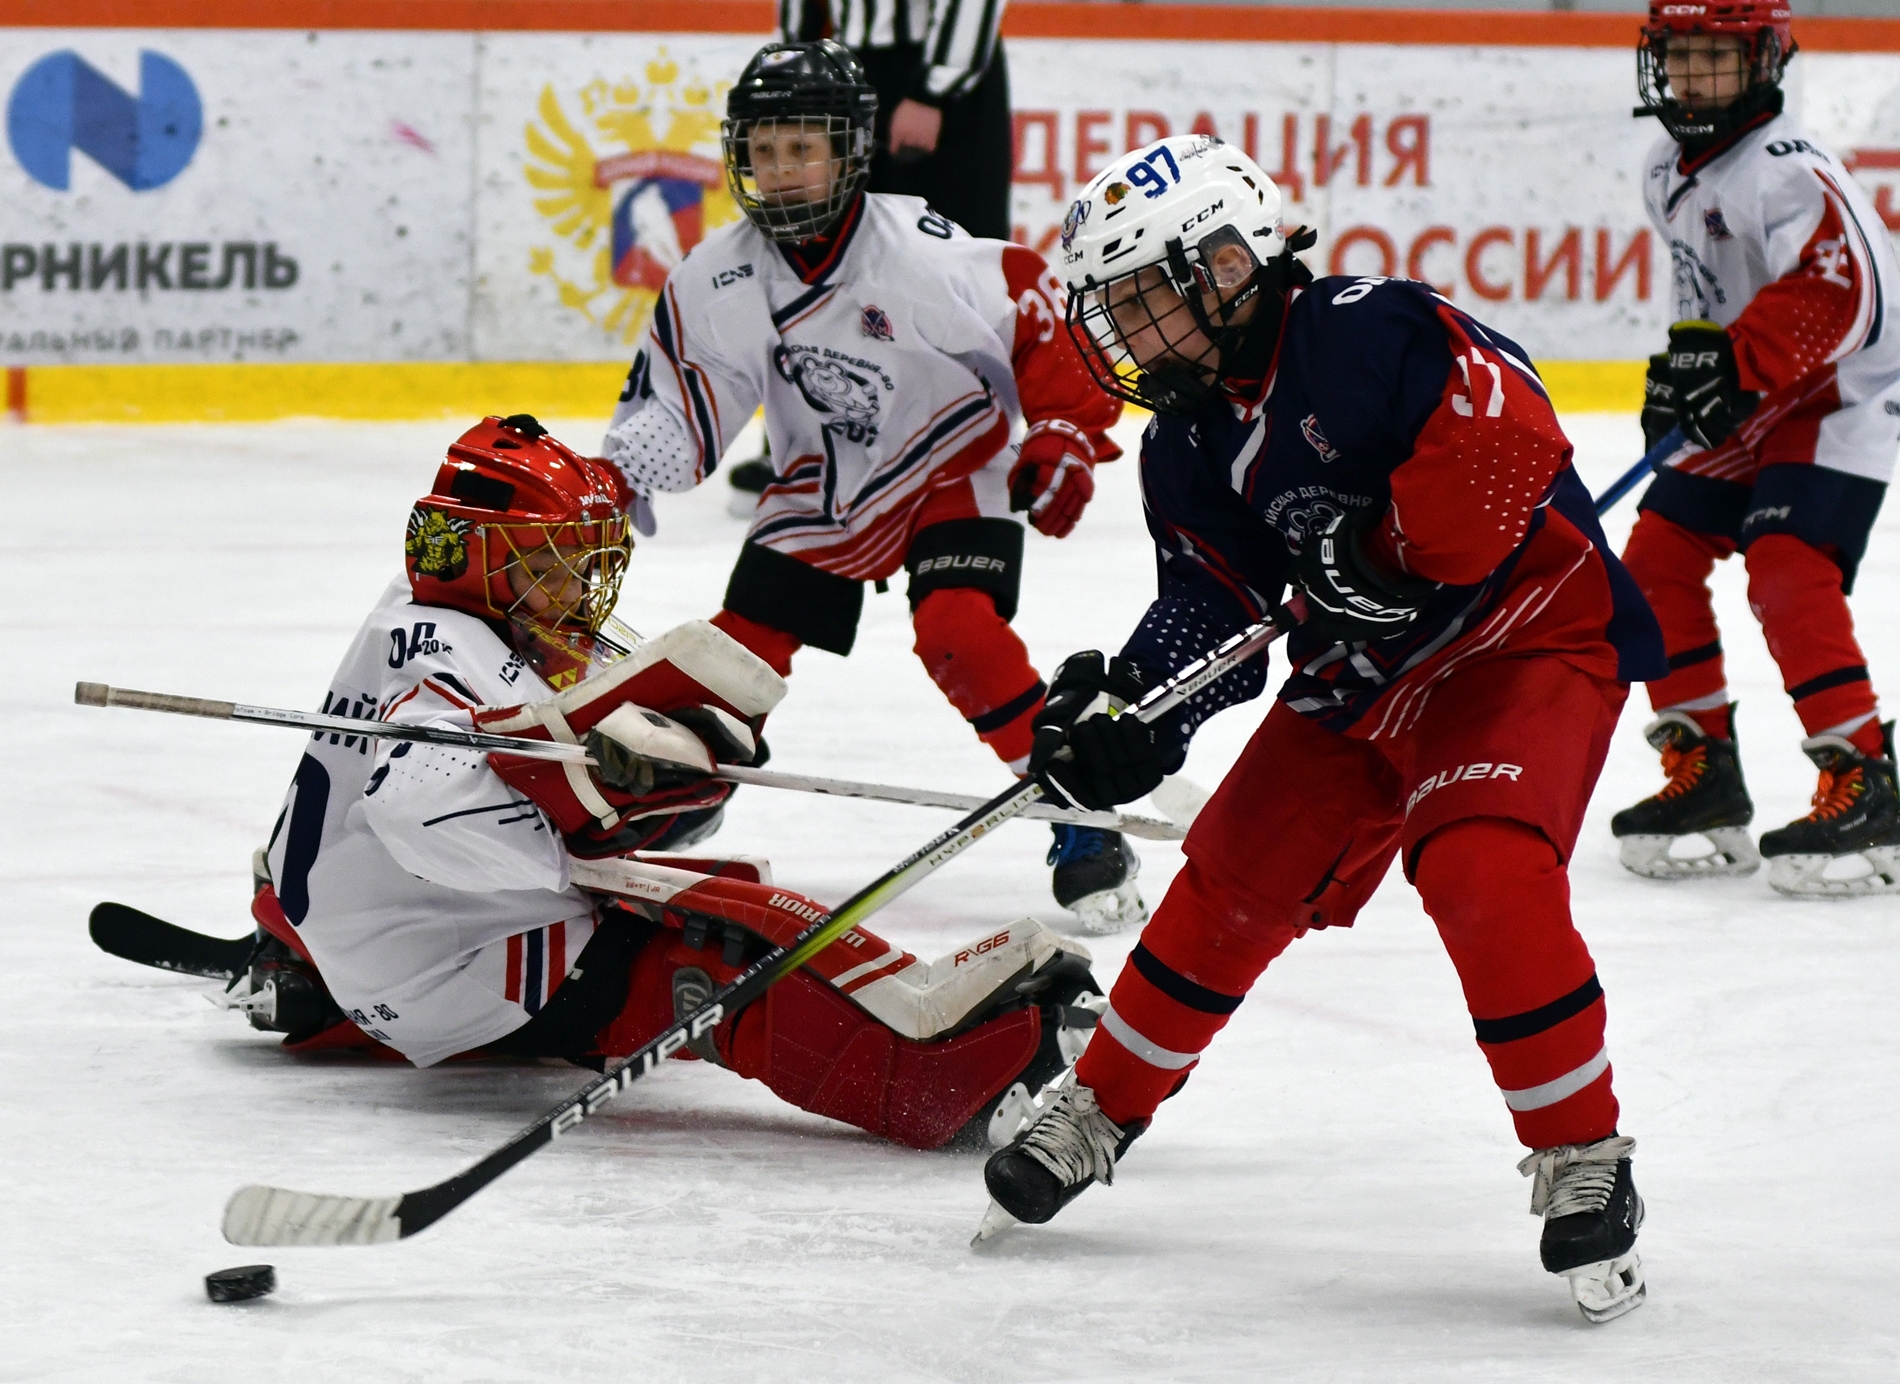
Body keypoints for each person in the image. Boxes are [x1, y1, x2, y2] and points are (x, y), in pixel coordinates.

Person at [974, 136, 1668, 1325]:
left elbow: (1513, 441)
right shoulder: (1184, 442)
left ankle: (1581, 1150)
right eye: (1117, 309)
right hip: (1362, 678)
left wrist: (1391, 548)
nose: (1129, 335)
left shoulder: (1364, 330)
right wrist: (1138, 709)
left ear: (1231, 265)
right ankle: (1100, 1105)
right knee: (1229, 876)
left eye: (1146, 298)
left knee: (1480, 866)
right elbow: (1215, 600)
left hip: (1522, 642)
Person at [207, 414, 1103, 1154]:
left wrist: (666, 782)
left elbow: (362, 807)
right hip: (465, 977)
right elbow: (417, 812)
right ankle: (935, 1079)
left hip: (363, 945)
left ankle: (308, 970)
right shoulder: (452, 657)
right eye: (552, 560)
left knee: (691, 884)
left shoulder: (425, 622)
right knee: (727, 938)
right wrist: (592, 821)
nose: (576, 584)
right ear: (483, 558)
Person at [603, 40, 1142, 930]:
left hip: (950, 456)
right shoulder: (717, 276)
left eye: (802, 148)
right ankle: (678, 795)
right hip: (824, 481)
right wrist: (620, 471)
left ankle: (1075, 808)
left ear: (851, 151)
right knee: (734, 654)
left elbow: (1034, 302)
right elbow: (684, 401)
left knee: (959, 635)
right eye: (764, 151)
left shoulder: (914, 252)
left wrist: (1061, 429)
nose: (780, 172)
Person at [1610, 0, 1900, 897]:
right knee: (1653, 563)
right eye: (1681, 58)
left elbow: (1841, 296)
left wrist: (1732, 367)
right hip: (1758, 393)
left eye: (1715, 60)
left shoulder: (1785, 170)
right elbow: (1705, 292)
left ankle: (1865, 778)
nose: (1693, 78)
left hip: (1842, 394)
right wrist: (1685, 373)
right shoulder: (1668, 167)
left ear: (1765, 64)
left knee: (1783, 566)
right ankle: (1705, 772)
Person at [777, 0, 1012, 243]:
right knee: (855, 247)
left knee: (952, 242)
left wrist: (932, 92)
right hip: (844, 67)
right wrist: (792, 74)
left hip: (931, 68)